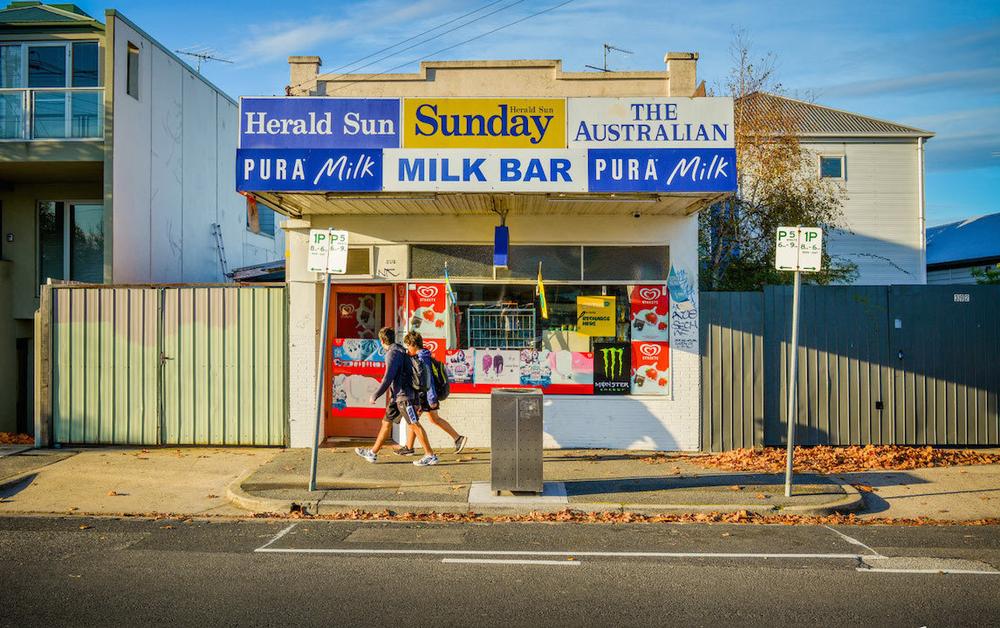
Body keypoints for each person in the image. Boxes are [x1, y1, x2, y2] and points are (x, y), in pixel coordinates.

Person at [354, 327, 438, 467]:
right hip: (396, 397)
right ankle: (373, 453)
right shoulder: (399, 349)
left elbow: (388, 378)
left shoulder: (392, 353)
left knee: (414, 424)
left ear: (381, 340)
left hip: (404, 396)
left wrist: (375, 395)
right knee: (386, 423)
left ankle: (430, 455)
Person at [395, 332, 467, 456]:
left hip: (426, 395)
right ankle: (409, 447)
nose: (407, 349)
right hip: (425, 395)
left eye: (408, 346)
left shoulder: (422, 358)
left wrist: (432, 399)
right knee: (420, 420)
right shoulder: (423, 355)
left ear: (413, 344)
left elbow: (429, 380)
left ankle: (457, 438)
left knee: (416, 421)